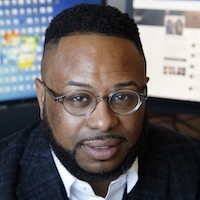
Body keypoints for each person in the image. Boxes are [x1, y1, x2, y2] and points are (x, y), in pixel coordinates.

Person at [0, 4, 200, 200]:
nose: (104, 122)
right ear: (42, 98)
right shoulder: (5, 179)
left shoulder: (191, 165)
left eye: (122, 96)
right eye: (79, 98)